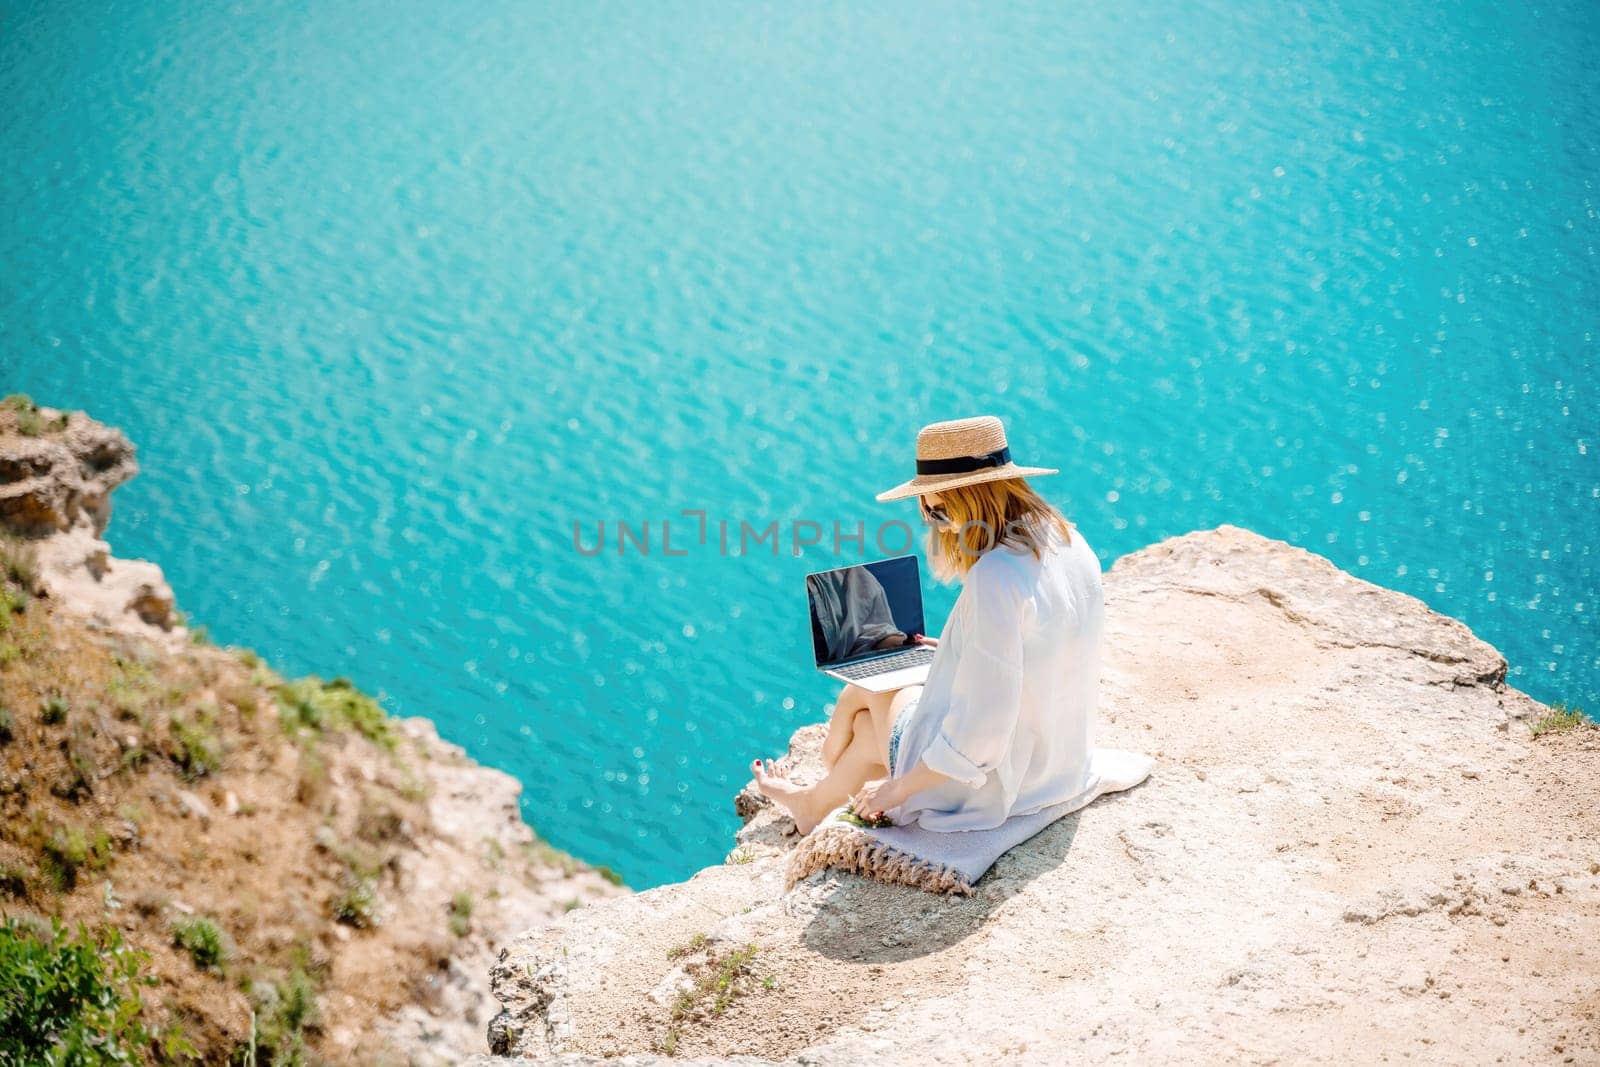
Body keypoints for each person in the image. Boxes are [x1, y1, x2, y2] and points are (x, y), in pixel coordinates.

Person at [751, 414, 1105, 835]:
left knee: (862, 690)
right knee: (868, 733)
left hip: (994, 784)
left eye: (937, 513)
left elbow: (981, 735)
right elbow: (1043, 645)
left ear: (963, 501)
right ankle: (812, 803)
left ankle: (824, 772)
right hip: (1056, 762)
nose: (937, 525)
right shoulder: (1065, 539)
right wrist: (963, 651)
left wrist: (898, 789)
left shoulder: (995, 576)